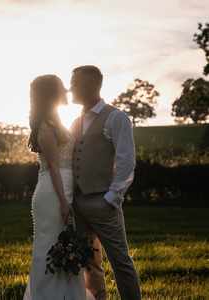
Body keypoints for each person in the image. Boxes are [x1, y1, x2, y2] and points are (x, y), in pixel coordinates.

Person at [70, 65, 142, 300]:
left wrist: (112, 197)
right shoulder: (76, 121)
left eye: (76, 83)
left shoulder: (116, 117)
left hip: (103, 202)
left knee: (121, 262)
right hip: (79, 205)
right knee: (89, 262)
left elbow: (126, 161)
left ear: (91, 85)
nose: (71, 88)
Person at [23, 74, 95, 300]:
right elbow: (54, 166)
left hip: (63, 188)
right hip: (53, 193)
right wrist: (64, 202)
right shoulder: (45, 126)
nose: (66, 90)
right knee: (50, 246)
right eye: (62, 88)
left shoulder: (56, 121)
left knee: (64, 243)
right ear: (52, 94)